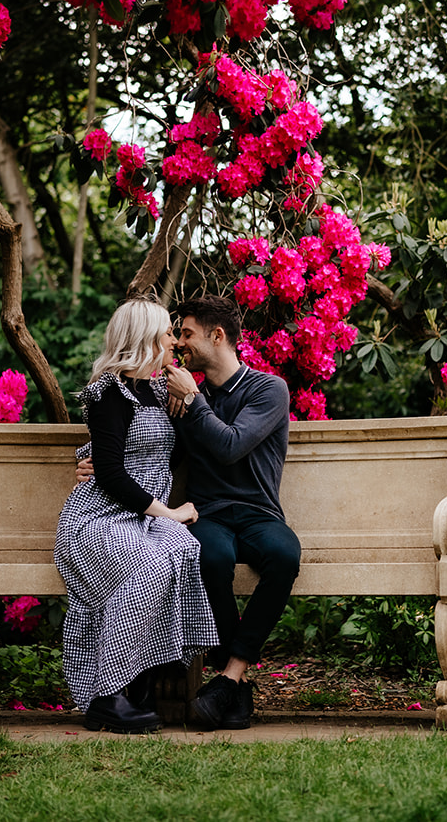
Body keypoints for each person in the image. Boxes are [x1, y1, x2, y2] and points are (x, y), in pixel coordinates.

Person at [54, 298, 218, 734]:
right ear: (145, 337)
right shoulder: (109, 391)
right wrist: (169, 511)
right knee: (145, 564)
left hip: (147, 517)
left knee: (183, 550)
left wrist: (188, 405)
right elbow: (108, 473)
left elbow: (177, 453)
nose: (174, 340)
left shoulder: (164, 391)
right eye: (167, 332)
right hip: (101, 516)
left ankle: (141, 681)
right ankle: (107, 697)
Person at [166, 295, 299, 731]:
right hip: (210, 516)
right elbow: (159, 457)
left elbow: (229, 446)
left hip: (259, 513)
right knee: (211, 558)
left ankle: (228, 676)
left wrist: (194, 402)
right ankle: (234, 687)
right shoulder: (188, 399)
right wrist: (95, 464)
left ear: (217, 336)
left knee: (285, 555)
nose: (180, 344)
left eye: (186, 333)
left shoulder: (268, 389)